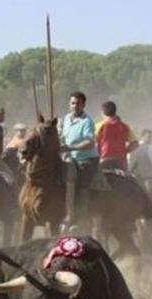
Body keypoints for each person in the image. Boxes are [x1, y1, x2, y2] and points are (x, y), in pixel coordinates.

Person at [60, 91, 98, 227]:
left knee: (74, 178)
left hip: (85, 160)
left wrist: (71, 148)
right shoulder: (65, 119)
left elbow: (90, 142)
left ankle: (74, 214)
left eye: (78, 103)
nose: (75, 106)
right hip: (68, 157)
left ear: (84, 105)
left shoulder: (87, 121)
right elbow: (62, 136)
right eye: (73, 103)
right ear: (69, 104)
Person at [95, 100, 135, 172]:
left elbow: (91, 142)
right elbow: (135, 143)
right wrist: (125, 151)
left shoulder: (99, 126)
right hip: (121, 161)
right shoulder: (125, 126)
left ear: (103, 112)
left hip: (104, 160)